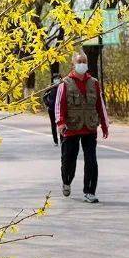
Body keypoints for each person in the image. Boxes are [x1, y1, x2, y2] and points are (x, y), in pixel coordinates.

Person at [54, 51, 109, 203]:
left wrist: (105, 124)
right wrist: (60, 122)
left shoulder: (94, 83)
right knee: (68, 160)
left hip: (89, 127)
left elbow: (100, 105)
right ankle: (66, 180)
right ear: (73, 64)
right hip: (70, 128)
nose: (82, 64)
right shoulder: (65, 83)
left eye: (84, 61)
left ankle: (90, 191)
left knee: (91, 160)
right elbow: (59, 105)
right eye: (79, 61)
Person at [42, 72, 62, 145]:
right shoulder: (50, 88)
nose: (56, 80)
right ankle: (55, 140)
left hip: (60, 109)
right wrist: (48, 104)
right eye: (55, 79)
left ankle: (62, 139)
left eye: (58, 78)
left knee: (61, 124)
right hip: (51, 109)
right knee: (53, 125)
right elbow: (44, 97)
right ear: (53, 80)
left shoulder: (62, 87)